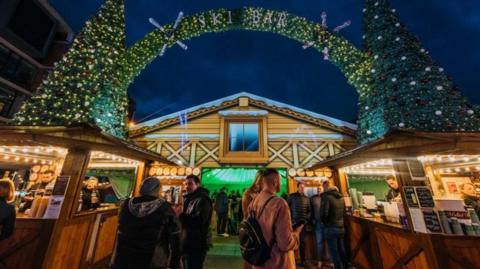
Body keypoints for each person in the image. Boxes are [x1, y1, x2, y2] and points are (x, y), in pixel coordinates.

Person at [112, 177, 181, 269]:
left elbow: (121, 227)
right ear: (158, 189)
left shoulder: (126, 204)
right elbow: (175, 236)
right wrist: (175, 263)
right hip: (153, 259)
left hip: (125, 257)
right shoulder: (164, 207)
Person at [248, 168, 303, 269]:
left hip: (258, 262)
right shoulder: (279, 203)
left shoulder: (253, 202)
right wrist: (296, 234)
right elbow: (285, 244)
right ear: (275, 181)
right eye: (280, 181)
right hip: (277, 262)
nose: (281, 184)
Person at [180, 175, 213, 269]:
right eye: (186, 184)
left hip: (197, 242)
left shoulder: (203, 199)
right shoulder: (189, 198)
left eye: (190, 183)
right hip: (188, 241)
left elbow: (200, 220)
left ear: (198, 184)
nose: (187, 186)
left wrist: (180, 216)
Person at [320, 180, 347, 269]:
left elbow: (324, 214)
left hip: (331, 227)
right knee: (341, 249)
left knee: (334, 251)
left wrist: (324, 222)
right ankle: (346, 266)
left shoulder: (326, 197)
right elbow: (344, 213)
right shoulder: (342, 198)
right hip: (341, 227)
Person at [241, 170, 264, 269]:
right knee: (250, 258)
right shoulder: (249, 193)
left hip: (262, 230)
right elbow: (247, 214)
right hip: (252, 230)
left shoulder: (263, 192)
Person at [287, 181, 311, 265]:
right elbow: (286, 209)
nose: (302, 188)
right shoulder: (292, 196)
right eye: (301, 187)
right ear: (297, 187)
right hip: (293, 224)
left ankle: (303, 261)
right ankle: (291, 261)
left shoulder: (307, 198)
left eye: (303, 187)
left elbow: (309, 212)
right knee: (292, 242)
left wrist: (304, 222)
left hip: (303, 224)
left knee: (302, 242)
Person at [310, 185, 325, 268]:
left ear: (323, 190)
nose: (319, 190)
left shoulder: (327, 198)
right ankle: (319, 261)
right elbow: (310, 210)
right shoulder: (313, 198)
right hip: (318, 224)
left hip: (327, 224)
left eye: (320, 189)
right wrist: (312, 219)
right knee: (319, 243)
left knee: (329, 243)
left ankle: (332, 261)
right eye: (317, 189)